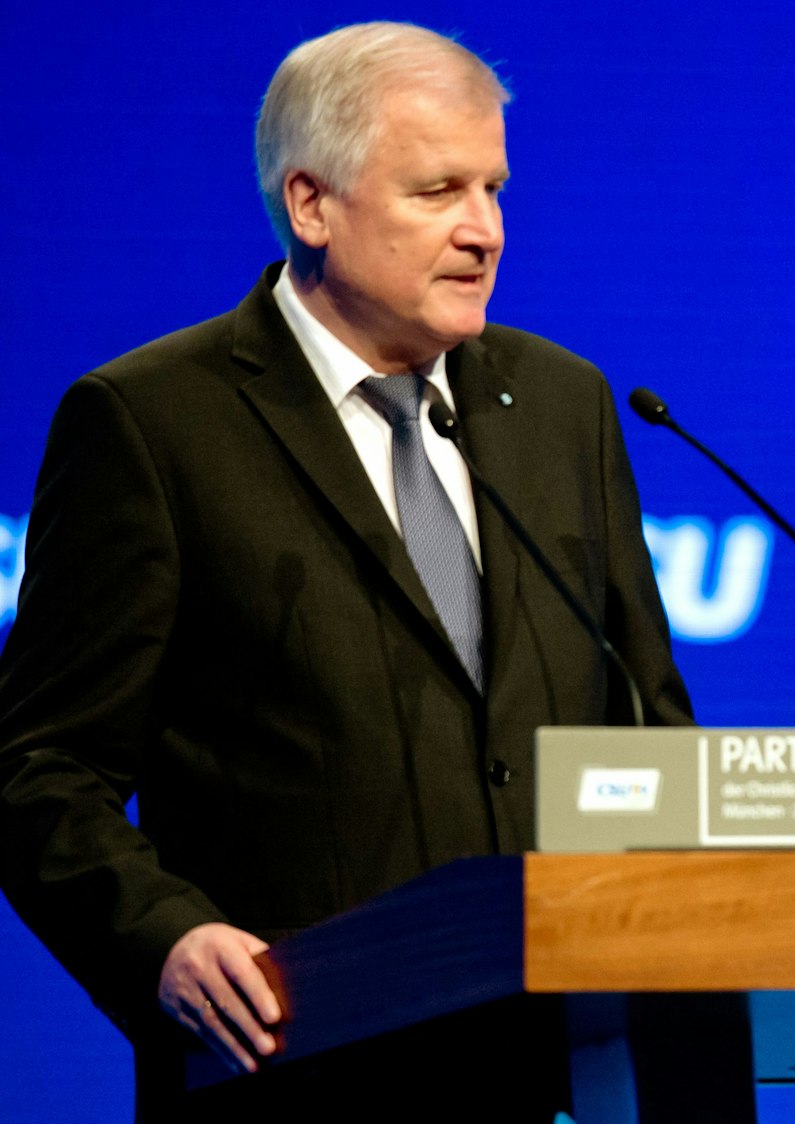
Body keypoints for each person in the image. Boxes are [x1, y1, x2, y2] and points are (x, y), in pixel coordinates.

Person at [0, 22, 693, 1120]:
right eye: (438, 191)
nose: (485, 231)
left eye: (495, 188)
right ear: (312, 204)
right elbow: (39, 767)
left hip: (563, 1074)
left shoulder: (562, 405)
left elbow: (654, 736)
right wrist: (165, 939)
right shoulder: (154, 423)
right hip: (297, 1070)